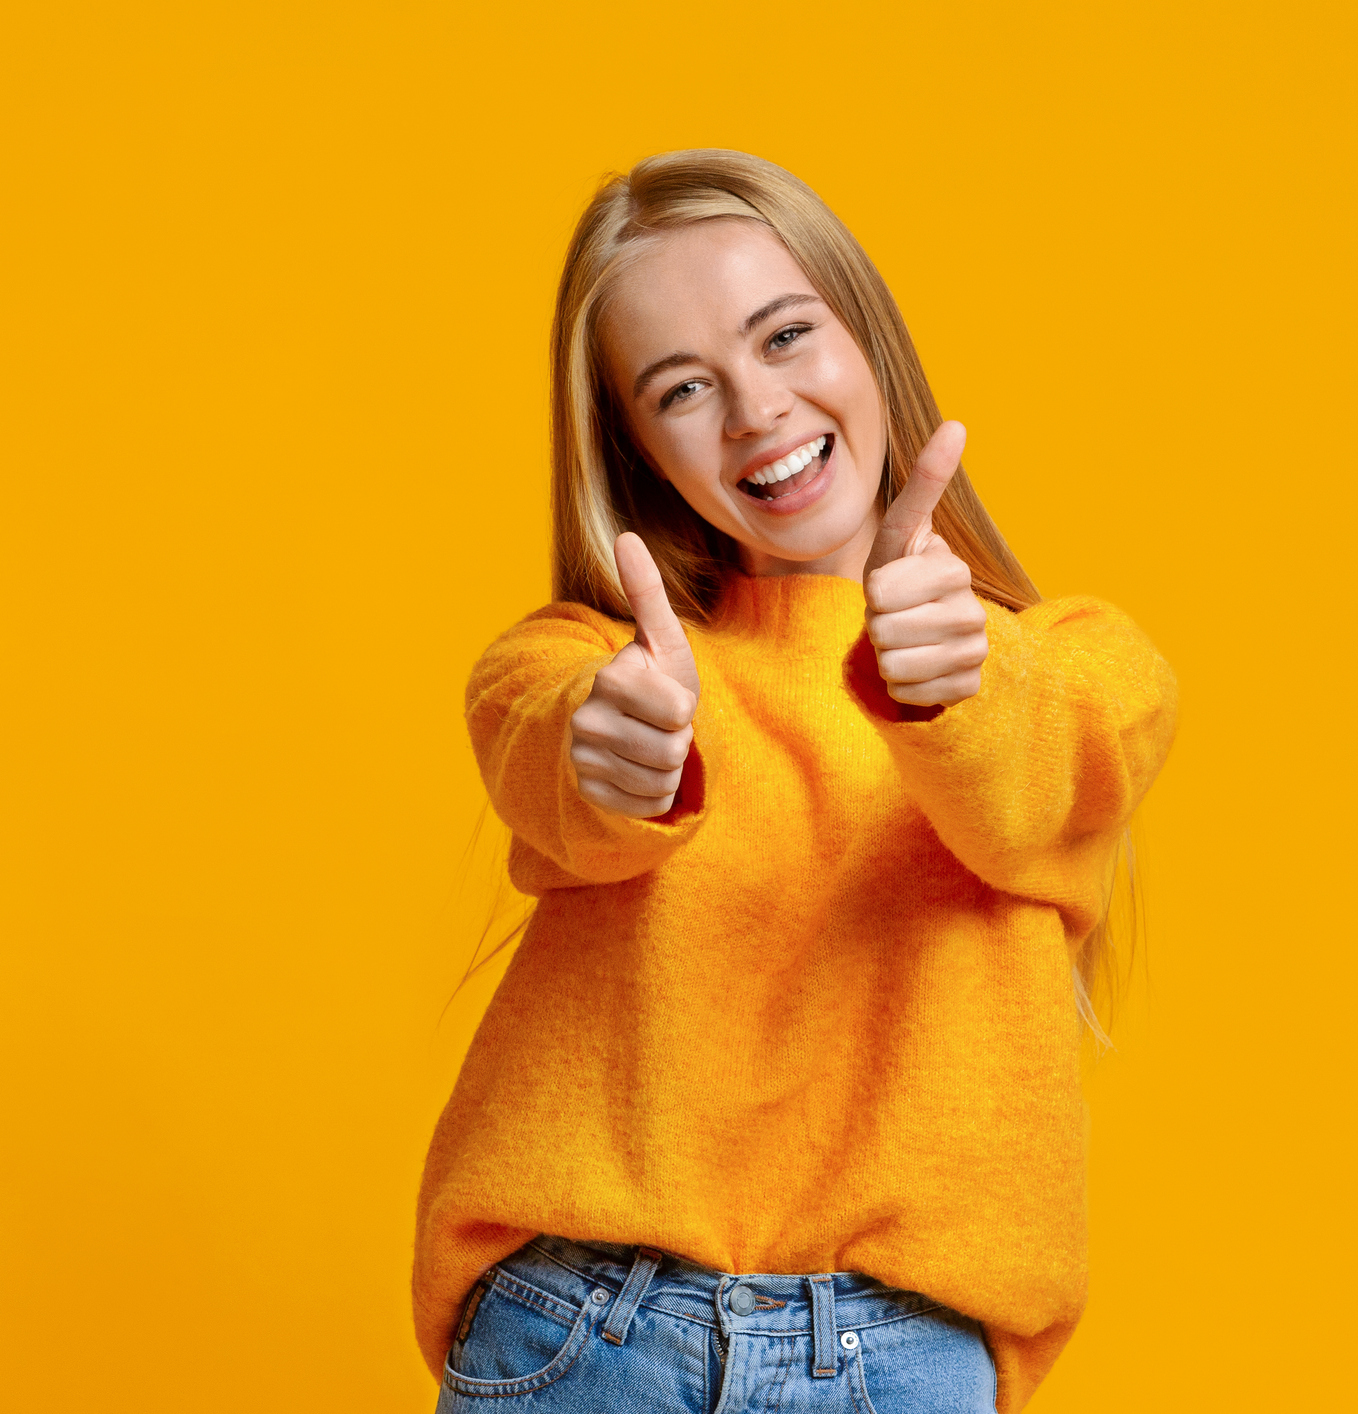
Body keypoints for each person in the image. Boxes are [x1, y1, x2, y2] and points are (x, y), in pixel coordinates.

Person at [414, 149, 1176, 1414]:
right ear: (639, 450)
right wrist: (623, 752)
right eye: (681, 389)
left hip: (906, 1363)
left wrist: (957, 682)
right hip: (588, 1338)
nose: (756, 408)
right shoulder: (582, 667)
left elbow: (1040, 783)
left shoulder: (1080, 670)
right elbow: (552, 757)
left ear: (867, 337)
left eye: (784, 336)